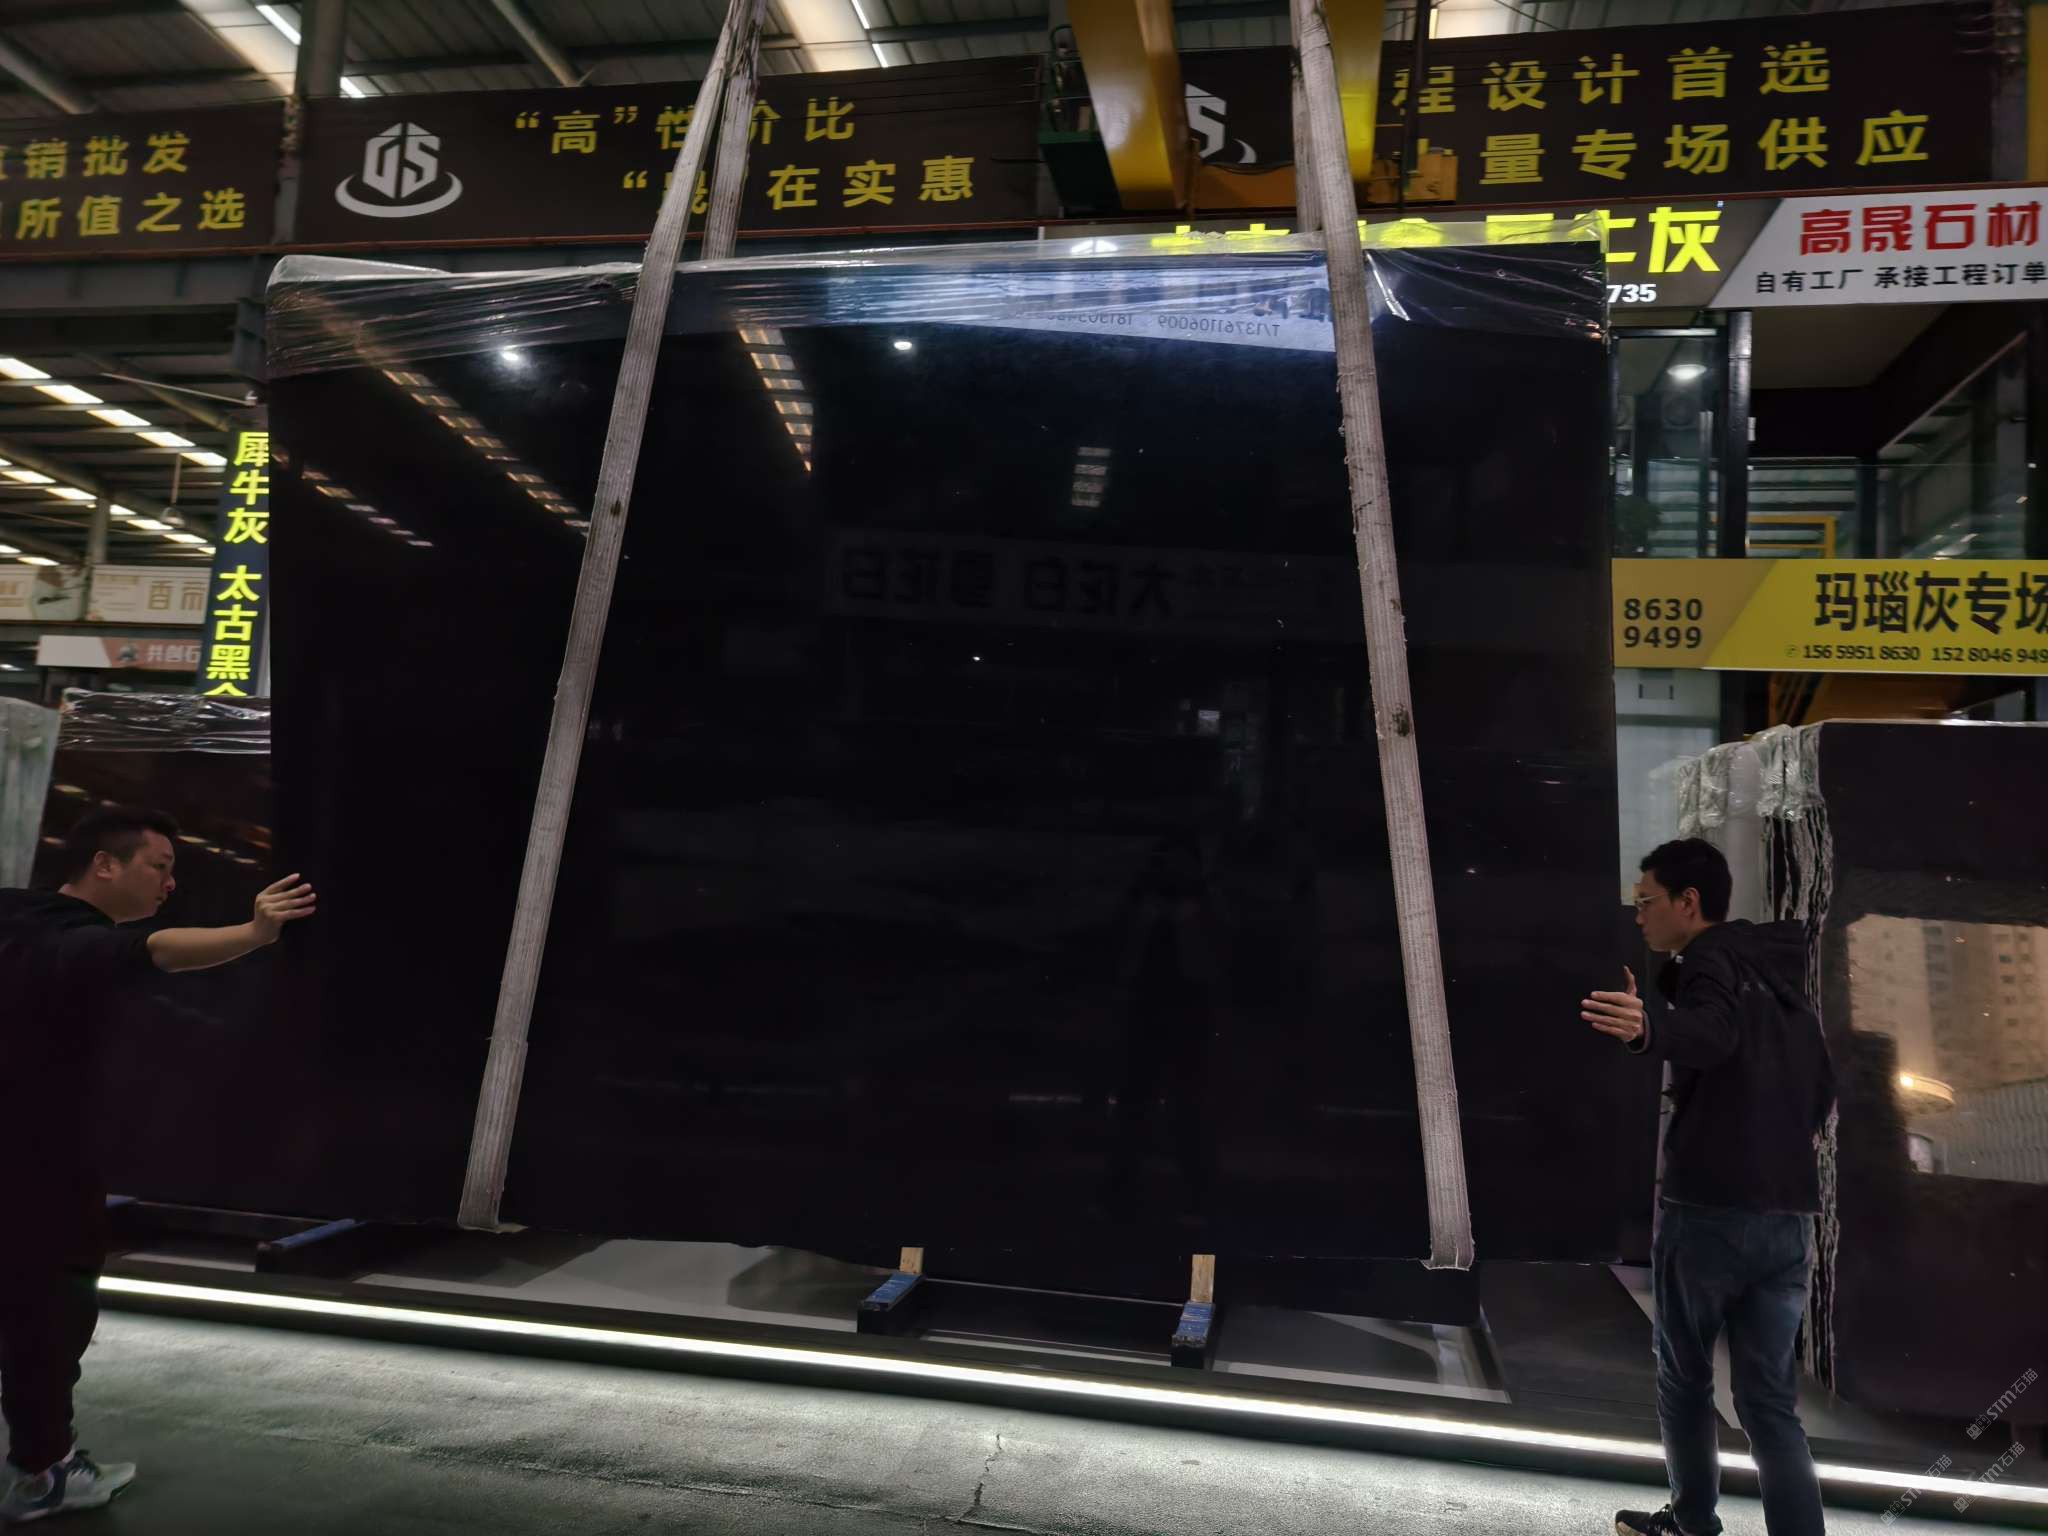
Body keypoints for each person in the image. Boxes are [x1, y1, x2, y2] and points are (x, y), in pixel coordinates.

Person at [0, 807, 315, 1524]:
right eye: (160, 865)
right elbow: (158, 952)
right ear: (104, 865)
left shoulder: (15, 916)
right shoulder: (71, 941)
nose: (169, 883)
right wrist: (255, 932)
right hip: (40, 1167)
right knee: (47, 1314)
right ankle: (44, 1473)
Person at [1581, 838, 1836, 1536]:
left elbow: (1713, 1034)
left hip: (1712, 1211)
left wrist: (1647, 1029)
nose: (1639, 916)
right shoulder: (1781, 973)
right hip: (1789, 1216)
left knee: (1685, 1377)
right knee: (1768, 1401)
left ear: (1688, 902)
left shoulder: (1707, 960)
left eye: (1646, 902)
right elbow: (1822, 1087)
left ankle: (1692, 1523)